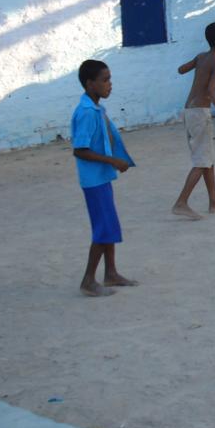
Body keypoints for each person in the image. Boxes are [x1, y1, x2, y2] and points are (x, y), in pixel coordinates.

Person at [71, 60, 139, 297]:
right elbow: (80, 149)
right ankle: (88, 280)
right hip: (94, 180)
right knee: (103, 229)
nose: (110, 84)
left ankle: (110, 273)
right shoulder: (87, 112)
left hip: (101, 177)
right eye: (105, 80)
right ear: (90, 84)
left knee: (108, 225)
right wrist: (113, 161)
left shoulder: (95, 108)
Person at [171, 22, 215, 220]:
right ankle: (181, 202)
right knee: (202, 161)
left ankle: (214, 201)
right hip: (200, 113)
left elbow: (181, 69)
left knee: (206, 158)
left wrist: (193, 66)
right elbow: (211, 90)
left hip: (190, 111)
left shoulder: (202, 57)